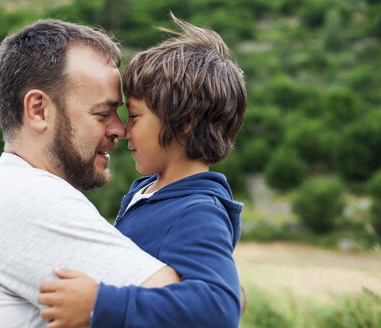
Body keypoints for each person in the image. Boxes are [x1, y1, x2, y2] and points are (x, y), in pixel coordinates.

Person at [0, 19, 180, 328]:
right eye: (102, 113)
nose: (120, 129)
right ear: (39, 110)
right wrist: (226, 292)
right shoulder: (27, 197)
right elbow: (194, 315)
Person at [38, 14, 247, 328]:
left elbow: (220, 308)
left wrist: (100, 304)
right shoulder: (148, 191)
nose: (123, 130)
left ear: (185, 121)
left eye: (134, 116)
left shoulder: (197, 211)